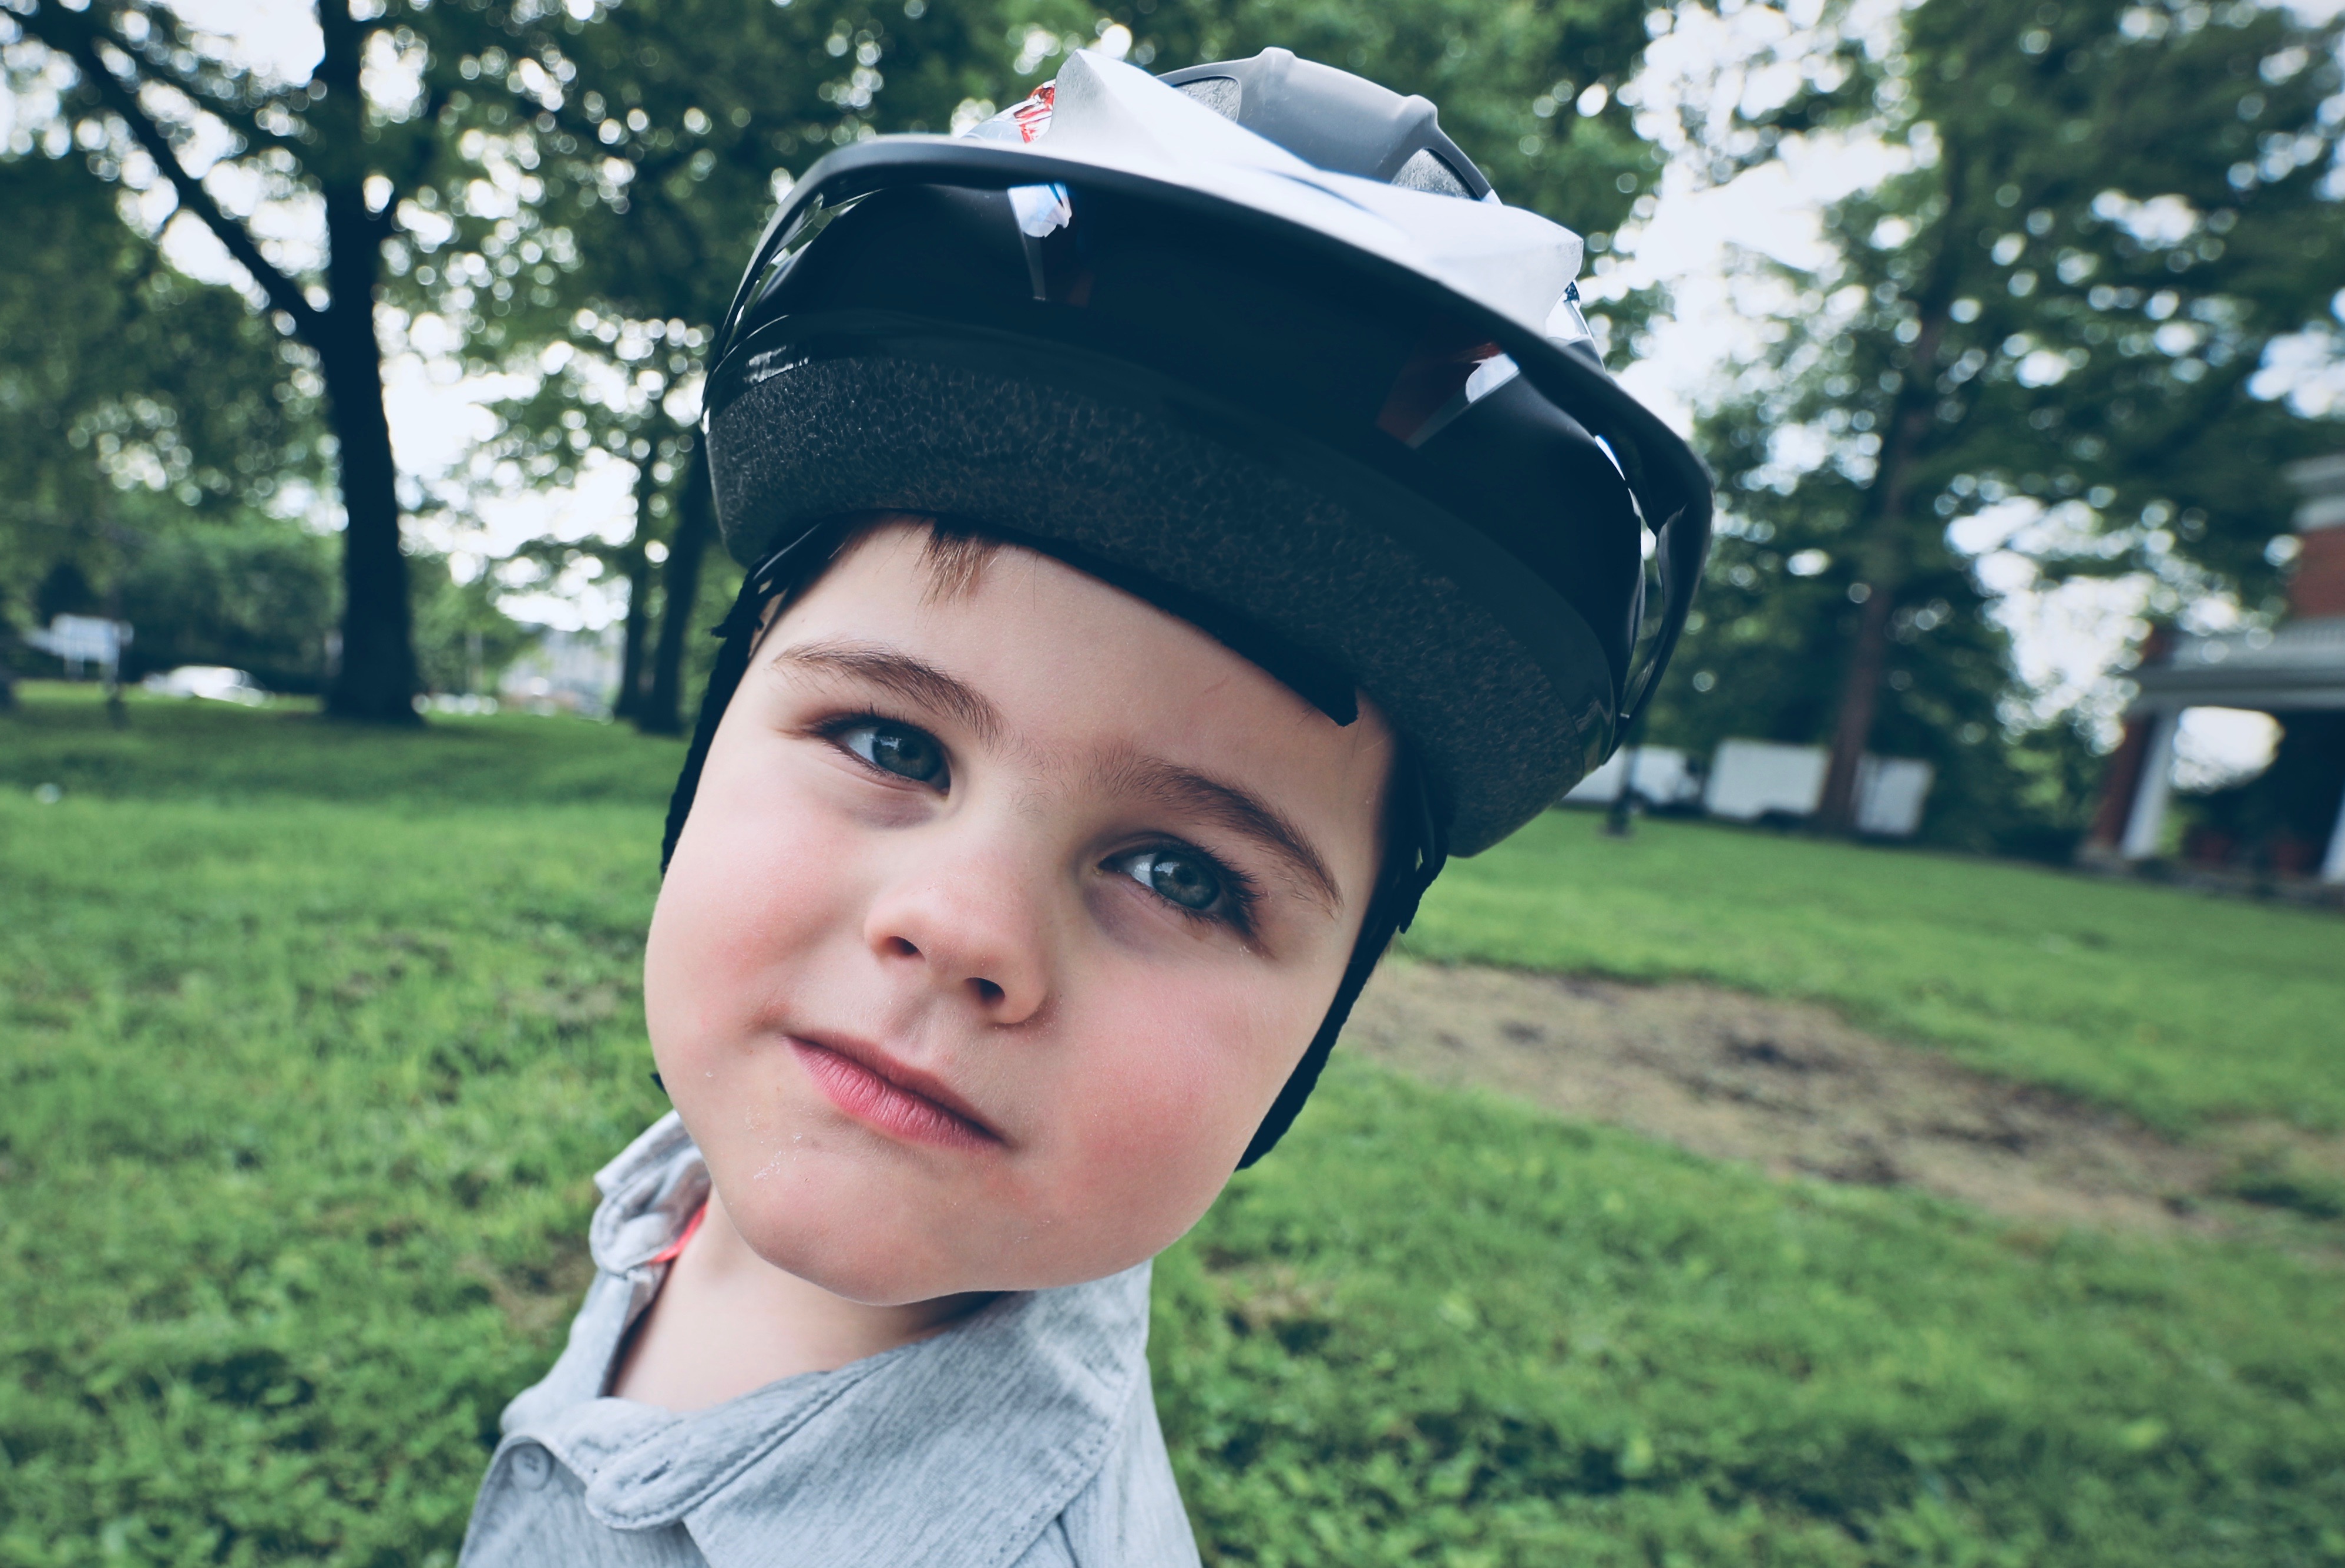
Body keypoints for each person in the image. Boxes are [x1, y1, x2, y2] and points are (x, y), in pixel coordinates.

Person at [462, 45, 1709, 1567]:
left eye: (1182, 873)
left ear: (1317, 1029)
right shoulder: (690, 1186)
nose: (958, 924)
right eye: (890, 741)